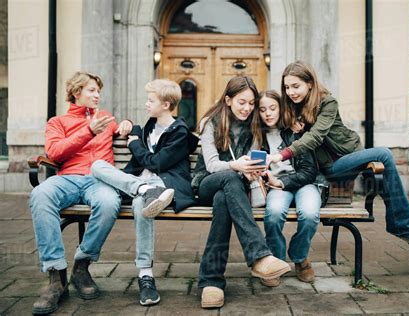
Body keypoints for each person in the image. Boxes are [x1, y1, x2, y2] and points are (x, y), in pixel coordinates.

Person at [268, 60, 409, 279]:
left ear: (310, 84)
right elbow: (269, 116)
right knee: (389, 175)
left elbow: (316, 137)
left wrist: (282, 154)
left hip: (346, 160)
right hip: (323, 173)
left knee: (385, 161)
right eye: (287, 87)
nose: (290, 92)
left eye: (296, 86)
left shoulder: (327, 102)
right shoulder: (290, 109)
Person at [29, 71, 133, 314]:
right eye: (92, 91)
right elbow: (54, 153)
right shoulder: (58, 122)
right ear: (77, 93)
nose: (97, 95)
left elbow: (123, 130)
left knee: (109, 202)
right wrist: (88, 130)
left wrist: (127, 124)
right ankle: (56, 276)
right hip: (67, 178)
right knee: (40, 195)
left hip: (99, 180)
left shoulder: (106, 118)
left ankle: (81, 266)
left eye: (98, 91)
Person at [90, 79, 198, 306]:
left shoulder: (179, 132)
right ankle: (143, 189)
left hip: (165, 183)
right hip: (141, 182)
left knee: (142, 206)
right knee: (97, 166)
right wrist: (131, 126)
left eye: (151, 100)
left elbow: (156, 162)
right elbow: (139, 132)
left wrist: (134, 144)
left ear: (167, 104)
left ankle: (145, 275)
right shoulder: (150, 124)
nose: (146, 104)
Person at [192, 76, 291, 309]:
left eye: (251, 103)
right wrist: (236, 167)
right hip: (206, 183)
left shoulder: (254, 126)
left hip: (233, 189)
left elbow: (254, 161)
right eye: (241, 102)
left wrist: (252, 172)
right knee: (226, 180)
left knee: (223, 199)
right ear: (228, 100)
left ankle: (212, 281)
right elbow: (212, 165)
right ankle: (259, 255)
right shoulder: (211, 123)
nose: (247, 108)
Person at [258, 90, 321, 287]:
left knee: (310, 214)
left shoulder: (294, 131)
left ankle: (299, 257)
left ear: (281, 108)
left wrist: (282, 183)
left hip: (303, 183)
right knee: (274, 213)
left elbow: (309, 170)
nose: (268, 113)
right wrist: (265, 175)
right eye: (262, 109)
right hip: (276, 186)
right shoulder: (256, 135)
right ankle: (275, 261)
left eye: (272, 108)